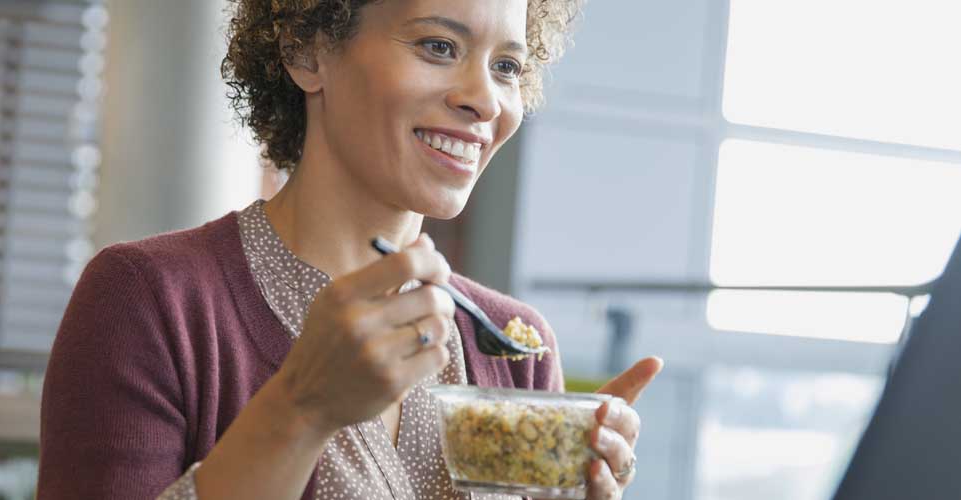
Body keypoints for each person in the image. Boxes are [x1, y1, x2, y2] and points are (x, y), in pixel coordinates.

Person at [37, 1, 664, 499]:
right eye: (438, 46)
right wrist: (300, 407)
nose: (485, 98)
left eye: (507, 66)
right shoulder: (147, 300)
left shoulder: (515, 344)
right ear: (305, 50)